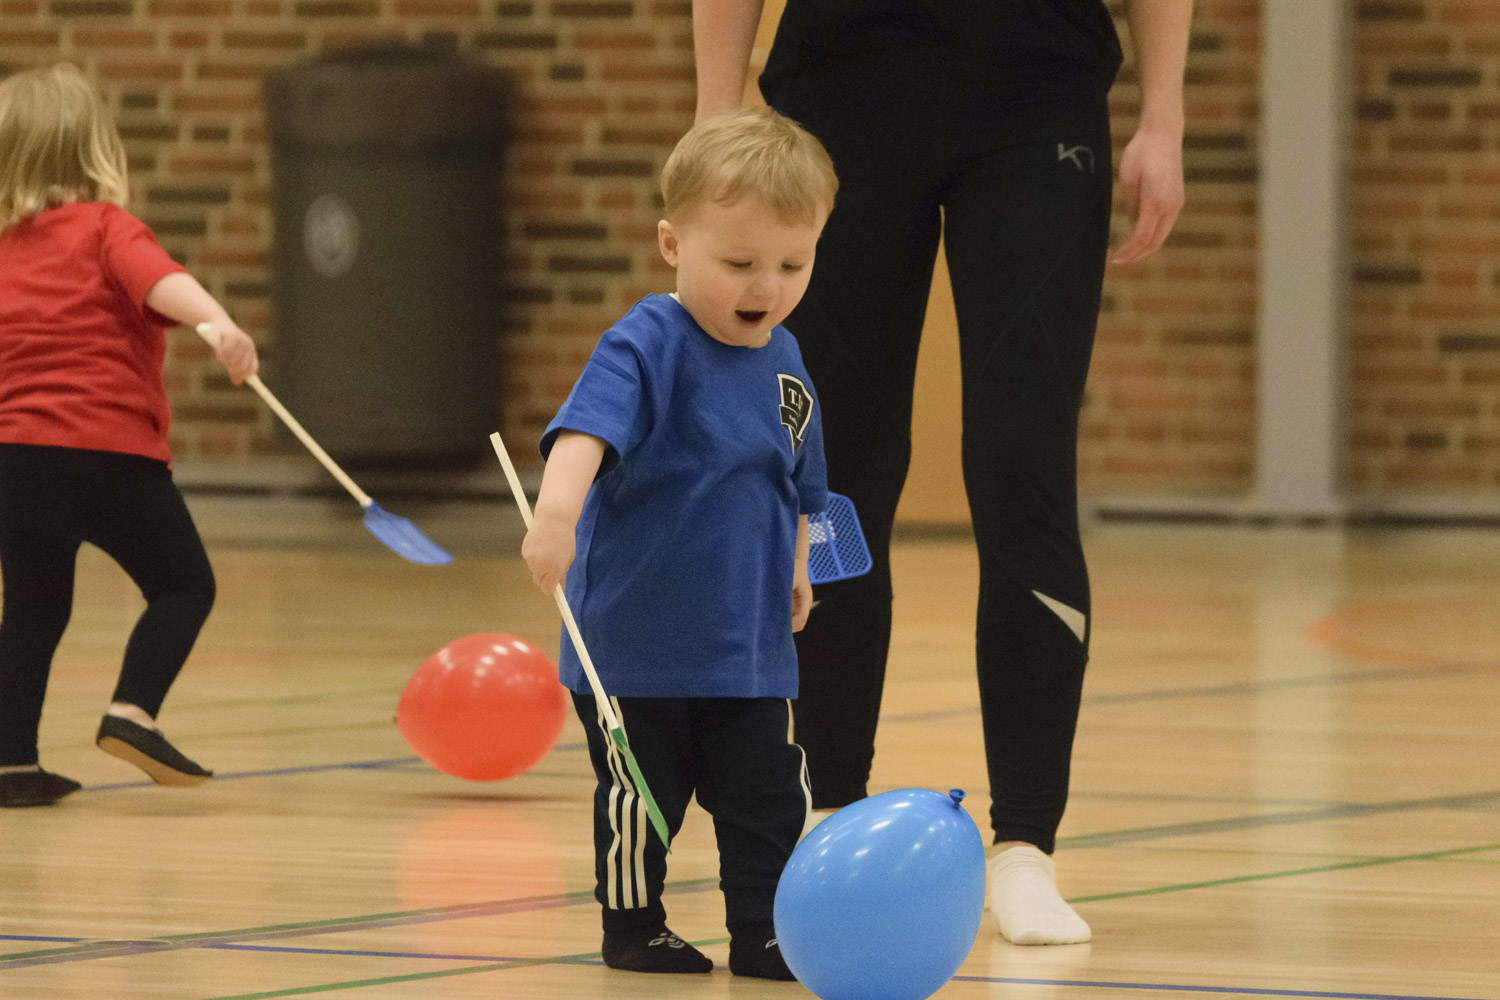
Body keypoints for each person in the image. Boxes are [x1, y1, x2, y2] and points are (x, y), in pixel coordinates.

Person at [692, 0, 1191, 944]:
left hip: (1037, 88)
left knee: (1021, 461)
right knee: (834, 476)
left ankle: (1026, 844)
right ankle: (832, 806)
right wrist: (719, 106)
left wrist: (1162, 114)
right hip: (845, 83)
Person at [520, 106, 835, 978]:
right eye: (739, 263)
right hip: (634, 649)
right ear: (671, 243)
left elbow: (801, 485)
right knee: (641, 802)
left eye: (791, 264)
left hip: (748, 649)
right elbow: (585, 433)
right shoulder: (646, 341)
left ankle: (764, 931)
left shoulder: (788, 362)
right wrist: (556, 516)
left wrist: (805, 569)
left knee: (767, 801)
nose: (764, 286)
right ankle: (633, 927)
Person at [0, 64, 259, 808]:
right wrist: (218, 324)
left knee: (33, 611)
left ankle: (11, 762)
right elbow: (157, 280)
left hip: (15, 461)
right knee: (182, 585)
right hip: (105, 453)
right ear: (94, 150)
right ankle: (131, 712)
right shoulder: (105, 226)